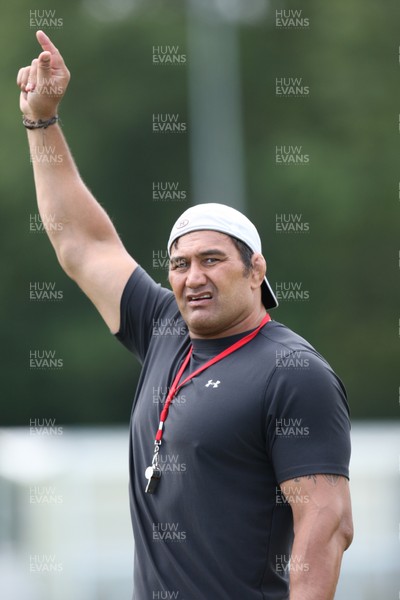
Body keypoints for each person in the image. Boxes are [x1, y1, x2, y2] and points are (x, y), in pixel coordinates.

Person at [17, 31, 353, 600]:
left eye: (212, 260)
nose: (192, 277)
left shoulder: (293, 372)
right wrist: (41, 121)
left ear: (256, 270)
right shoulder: (165, 330)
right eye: (179, 264)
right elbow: (82, 243)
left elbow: (324, 529)